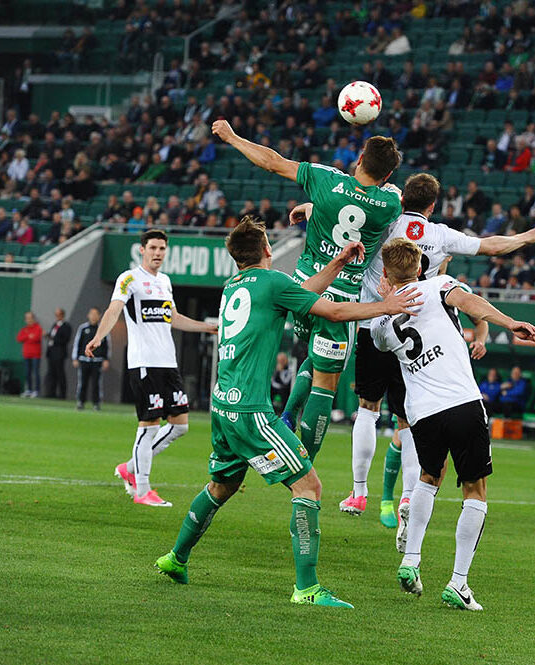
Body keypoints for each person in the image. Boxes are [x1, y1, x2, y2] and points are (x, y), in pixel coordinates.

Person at [153, 217, 419, 608]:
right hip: (250, 409)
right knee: (309, 486)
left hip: (222, 404)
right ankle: (307, 588)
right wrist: (387, 305)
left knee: (222, 486)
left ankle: (175, 559)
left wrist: (337, 264)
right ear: (266, 250)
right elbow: (331, 312)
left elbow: (299, 293)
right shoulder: (271, 282)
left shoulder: (235, 287)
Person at [294, 173, 535, 534]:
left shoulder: (385, 221)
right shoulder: (440, 235)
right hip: (421, 328)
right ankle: (410, 496)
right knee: (407, 422)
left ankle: (358, 491)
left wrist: (308, 207)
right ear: (432, 205)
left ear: (402, 198)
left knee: (367, 407)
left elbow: (345, 217)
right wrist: (526, 236)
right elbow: (490, 246)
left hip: (375, 323)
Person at [212, 119, 403, 465]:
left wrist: (232, 137)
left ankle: (287, 415)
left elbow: (272, 161)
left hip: (302, 288)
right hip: (341, 296)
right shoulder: (390, 202)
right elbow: (364, 209)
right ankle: (304, 463)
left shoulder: (325, 179)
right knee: (325, 384)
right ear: (387, 175)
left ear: (359, 158)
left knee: (311, 358)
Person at [372, 237, 535, 610]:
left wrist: (386, 300)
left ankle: (411, 560)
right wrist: (509, 322)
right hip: (461, 402)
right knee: (475, 490)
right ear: (419, 268)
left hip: (421, 413)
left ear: (385, 274)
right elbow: (469, 302)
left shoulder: (380, 324)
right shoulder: (436, 286)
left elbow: (384, 341)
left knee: (428, 478)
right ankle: (459, 584)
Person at [86, 229, 218, 507]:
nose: (158, 253)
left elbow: (172, 317)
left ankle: (130, 467)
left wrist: (208, 327)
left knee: (180, 425)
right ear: (142, 250)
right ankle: (142, 490)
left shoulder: (165, 282)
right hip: (144, 362)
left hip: (168, 362)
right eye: (153, 248)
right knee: (149, 425)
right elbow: (113, 310)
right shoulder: (129, 278)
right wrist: (99, 336)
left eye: (162, 248)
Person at [71, 307, 110, 410]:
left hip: (97, 361)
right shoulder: (83, 328)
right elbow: (77, 343)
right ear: (88, 315)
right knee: (82, 382)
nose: (93, 316)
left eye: (95, 314)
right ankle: (80, 402)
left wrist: (106, 359)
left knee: (96, 383)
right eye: (91, 314)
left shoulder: (102, 329)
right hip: (84, 360)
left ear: (99, 316)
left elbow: (107, 345)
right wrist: (75, 357)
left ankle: (96, 403)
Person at [44, 307, 72, 399]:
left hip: (59, 353)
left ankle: (62, 394)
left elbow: (65, 339)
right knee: (51, 373)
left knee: (60, 373)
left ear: (62, 315)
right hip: (51, 352)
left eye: (58, 314)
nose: (56, 316)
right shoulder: (54, 325)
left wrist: (51, 337)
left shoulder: (66, 326)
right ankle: (51, 393)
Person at [16, 312, 43, 398]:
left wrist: (28, 337)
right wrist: (28, 336)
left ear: (33, 318)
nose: (28, 320)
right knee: (27, 373)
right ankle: (29, 390)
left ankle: (36, 391)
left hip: (36, 355)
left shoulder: (38, 328)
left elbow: (36, 338)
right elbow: (19, 338)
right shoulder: (24, 329)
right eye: (27, 318)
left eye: (30, 318)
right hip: (26, 354)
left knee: (36, 373)